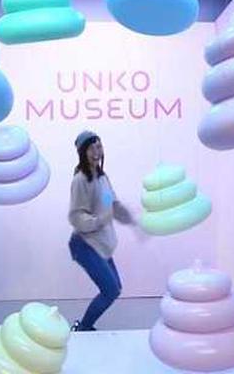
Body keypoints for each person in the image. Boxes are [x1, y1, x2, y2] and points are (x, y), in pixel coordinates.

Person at [68, 130, 135, 331]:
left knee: (115, 289)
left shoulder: (102, 177)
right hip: (84, 245)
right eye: (91, 148)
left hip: (101, 243)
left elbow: (109, 202)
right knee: (110, 290)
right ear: (83, 152)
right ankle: (82, 327)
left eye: (99, 146)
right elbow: (77, 216)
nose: (97, 151)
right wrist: (99, 220)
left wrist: (126, 215)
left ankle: (84, 326)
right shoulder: (80, 180)